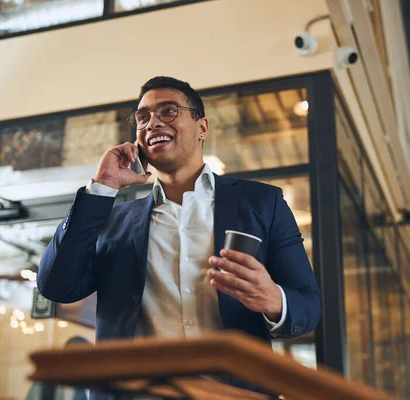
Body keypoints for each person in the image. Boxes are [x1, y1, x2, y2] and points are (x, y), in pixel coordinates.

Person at [37, 76, 321, 396]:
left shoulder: (262, 203)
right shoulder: (113, 220)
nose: (152, 122)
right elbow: (55, 285)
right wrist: (101, 186)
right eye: (142, 117)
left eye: (168, 111)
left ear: (202, 127)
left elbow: (308, 305)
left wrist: (272, 299)